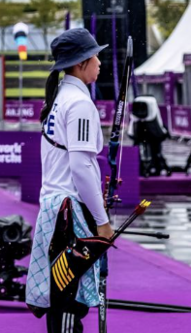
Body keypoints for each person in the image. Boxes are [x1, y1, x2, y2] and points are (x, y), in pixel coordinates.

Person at [26, 28, 115, 333]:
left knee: (62, 294)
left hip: (56, 208)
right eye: (95, 56)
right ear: (80, 64)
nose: (99, 62)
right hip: (67, 211)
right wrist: (102, 222)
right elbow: (79, 168)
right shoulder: (77, 103)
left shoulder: (62, 97)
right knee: (69, 299)